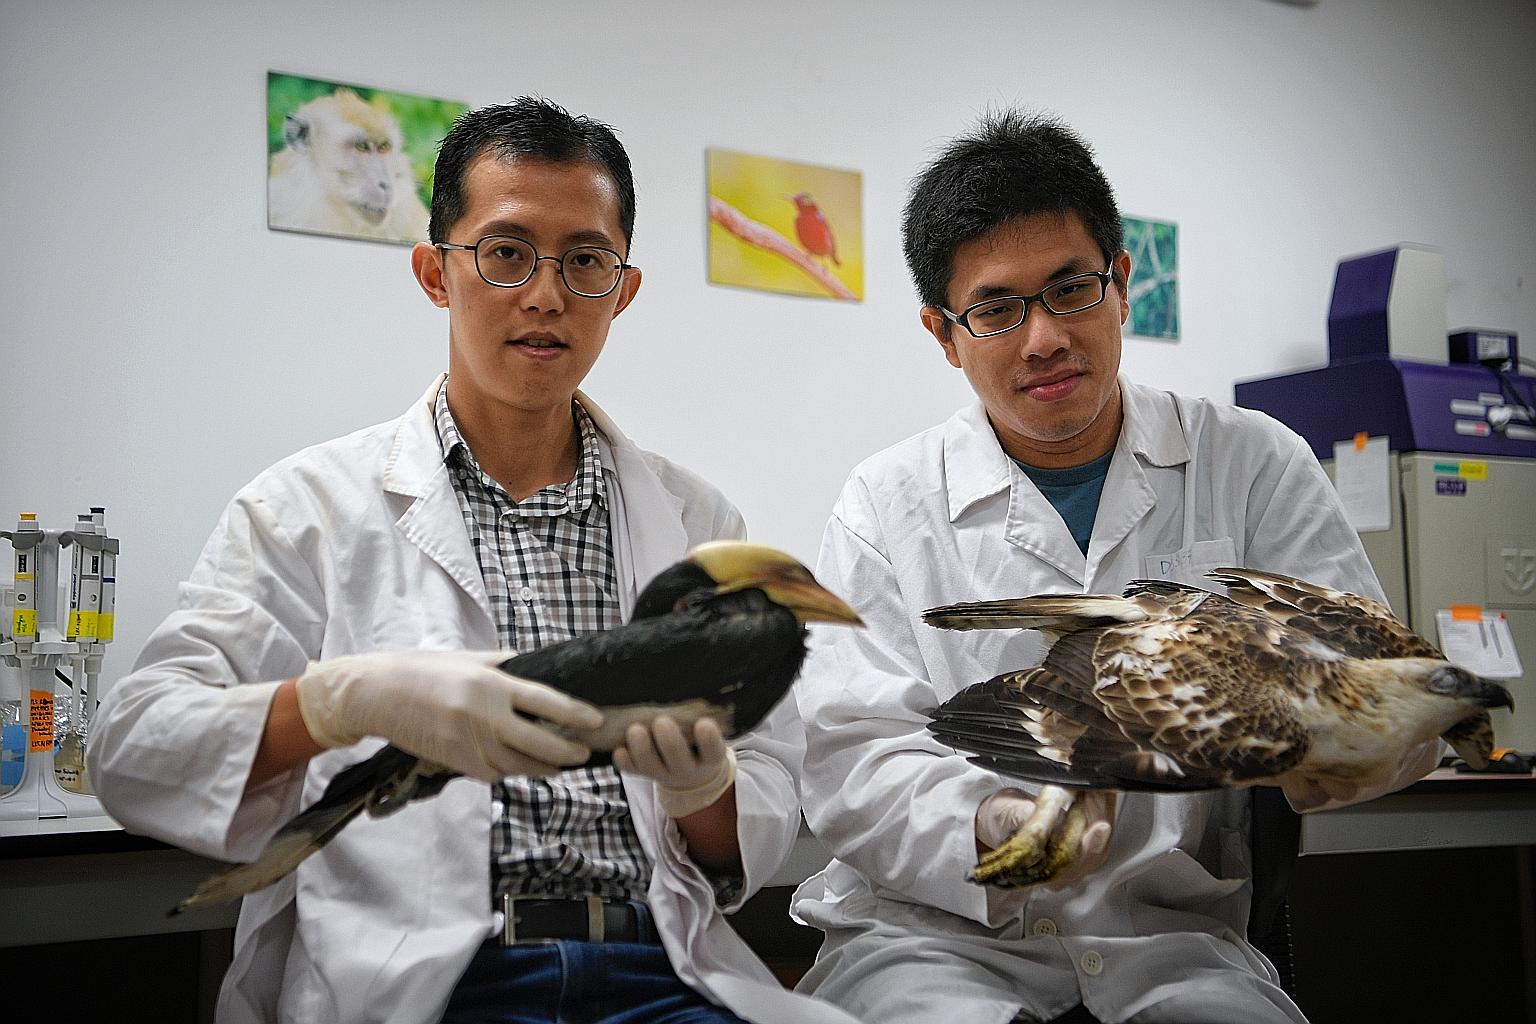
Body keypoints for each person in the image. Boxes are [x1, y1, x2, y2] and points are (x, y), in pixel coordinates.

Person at [89, 97, 857, 1024]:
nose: (545, 294)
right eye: (504, 252)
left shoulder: (697, 522)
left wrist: (702, 788)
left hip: (661, 973)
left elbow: (762, 807)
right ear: (435, 273)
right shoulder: (307, 508)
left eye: (584, 261)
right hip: (428, 981)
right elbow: (131, 750)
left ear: (624, 288)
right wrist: (342, 704)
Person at [789, 109, 1438, 1024]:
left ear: (1121, 284)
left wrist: (1348, 751)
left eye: (1069, 291)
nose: (1042, 338)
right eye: (995, 309)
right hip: (931, 941)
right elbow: (851, 752)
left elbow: (1380, 693)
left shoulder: (1253, 465)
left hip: (1173, 942)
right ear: (944, 332)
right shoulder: (884, 503)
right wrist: (992, 831)